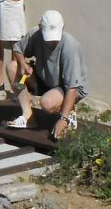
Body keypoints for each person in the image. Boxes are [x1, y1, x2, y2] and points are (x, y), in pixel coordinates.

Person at [9, 9, 88, 141]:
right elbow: (17, 49)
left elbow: (72, 87)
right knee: (12, 67)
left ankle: (70, 113)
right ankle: (28, 117)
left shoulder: (70, 47)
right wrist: (22, 64)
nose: (51, 42)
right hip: (45, 77)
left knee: (47, 103)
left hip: (65, 86)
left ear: (63, 27)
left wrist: (63, 119)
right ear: (40, 28)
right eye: (48, 37)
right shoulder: (34, 34)